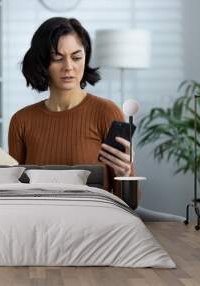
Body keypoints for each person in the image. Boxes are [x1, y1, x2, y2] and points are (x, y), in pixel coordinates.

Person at [8, 17, 134, 195]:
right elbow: (15, 192)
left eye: (76, 57)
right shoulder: (21, 121)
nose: (69, 67)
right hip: (38, 219)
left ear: (85, 57)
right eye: (57, 58)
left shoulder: (107, 112)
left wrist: (125, 174)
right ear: (42, 63)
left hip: (93, 218)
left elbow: (130, 203)